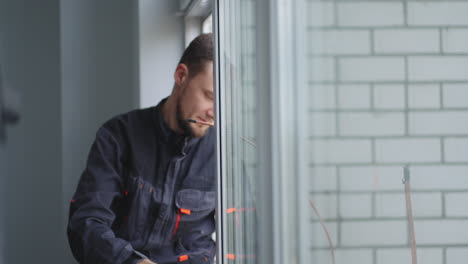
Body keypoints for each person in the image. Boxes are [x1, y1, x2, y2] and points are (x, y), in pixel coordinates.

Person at [67, 33, 216, 264]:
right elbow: (86, 223)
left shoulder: (225, 155)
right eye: (209, 96)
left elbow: (250, 235)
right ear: (181, 76)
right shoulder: (117, 136)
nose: (214, 112)